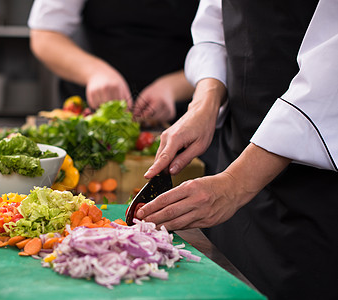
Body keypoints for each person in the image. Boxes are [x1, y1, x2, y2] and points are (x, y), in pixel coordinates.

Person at [137, 0, 338, 299]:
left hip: (316, 194)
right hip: (233, 158)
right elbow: (216, 22)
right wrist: (204, 103)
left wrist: (237, 183)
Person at [27, 0, 198, 123]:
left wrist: (174, 87)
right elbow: (45, 36)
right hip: (90, 117)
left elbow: (220, 50)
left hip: (186, 114)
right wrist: (95, 72)